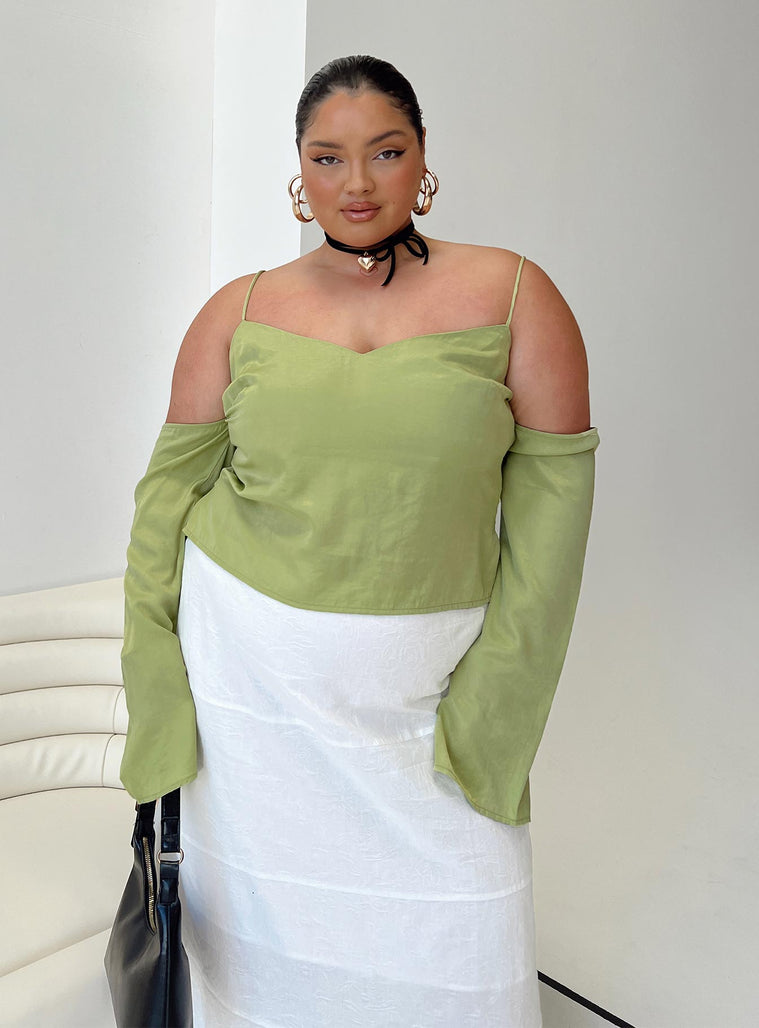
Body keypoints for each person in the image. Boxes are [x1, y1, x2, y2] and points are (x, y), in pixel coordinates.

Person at [119, 54, 599, 1027]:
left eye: (385, 151)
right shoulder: (238, 309)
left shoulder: (515, 295)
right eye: (327, 158)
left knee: (466, 940)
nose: (357, 183)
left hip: (431, 692)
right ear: (299, 173)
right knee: (265, 955)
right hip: (250, 693)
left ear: (423, 158)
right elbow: (165, 505)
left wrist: (498, 704)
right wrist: (159, 693)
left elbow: (553, 519)